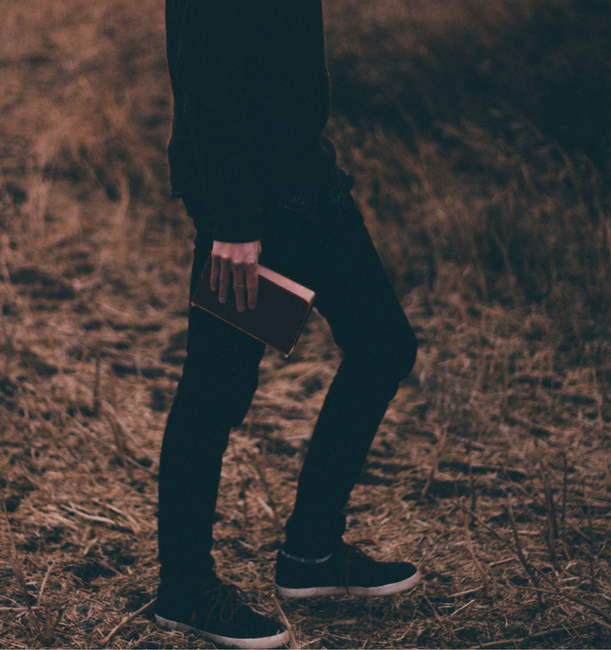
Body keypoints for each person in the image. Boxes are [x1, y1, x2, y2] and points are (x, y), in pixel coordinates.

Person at [155, 1, 421, 647]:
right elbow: (207, 84)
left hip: (310, 185)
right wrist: (236, 224)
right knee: (217, 393)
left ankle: (311, 554)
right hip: (256, 212)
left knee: (383, 345)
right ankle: (185, 590)